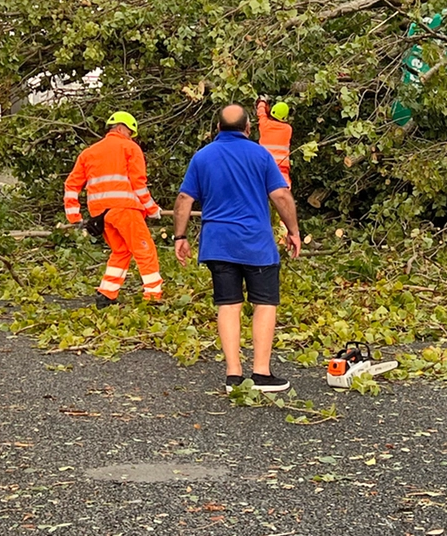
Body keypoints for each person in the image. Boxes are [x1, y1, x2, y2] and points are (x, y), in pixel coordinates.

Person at [173, 104, 302, 393]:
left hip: (218, 244)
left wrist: (179, 237)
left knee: (228, 304)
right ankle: (261, 373)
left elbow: (184, 198)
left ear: (217, 128)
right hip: (255, 243)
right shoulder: (260, 155)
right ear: (248, 128)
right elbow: (280, 195)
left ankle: (233, 375)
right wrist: (293, 231)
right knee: (264, 303)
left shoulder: (202, 156)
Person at [64, 111, 163, 307]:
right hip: (125, 209)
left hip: (100, 215)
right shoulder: (130, 148)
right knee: (145, 251)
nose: (131, 136)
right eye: (130, 132)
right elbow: (139, 184)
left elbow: (71, 185)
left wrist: (75, 217)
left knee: (121, 251)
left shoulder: (89, 152)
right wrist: (152, 209)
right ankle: (153, 297)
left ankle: (106, 294)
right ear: (121, 128)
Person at [255, 97, 292, 188]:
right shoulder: (288, 129)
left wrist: (262, 102)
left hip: (264, 167)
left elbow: (261, 113)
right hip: (282, 169)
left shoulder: (264, 124)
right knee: (283, 197)